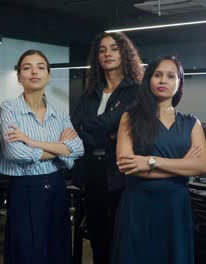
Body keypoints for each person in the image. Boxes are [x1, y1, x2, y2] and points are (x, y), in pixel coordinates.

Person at [112, 56, 206, 264]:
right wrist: (183, 165)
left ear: (179, 83)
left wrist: (150, 162)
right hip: (139, 205)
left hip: (175, 208)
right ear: (149, 80)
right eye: (157, 75)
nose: (163, 80)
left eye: (170, 76)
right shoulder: (130, 117)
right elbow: (127, 165)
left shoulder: (192, 123)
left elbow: (202, 166)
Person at [0, 49, 84, 264]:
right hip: (25, 188)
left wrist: (32, 142)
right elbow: (15, 152)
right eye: (27, 68)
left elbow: (78, 149)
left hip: (56, 185)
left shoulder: (59, 112)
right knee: (27, 250)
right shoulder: (10, 108)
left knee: (57, 247)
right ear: (19, 77)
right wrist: (59, 149)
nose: (34, 72)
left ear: (49, 75)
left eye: (41, 67)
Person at [71, 32, 143, 263]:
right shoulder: (91, 93)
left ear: (124, 53)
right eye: (102, 50)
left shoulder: (135, 91)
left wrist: (91, 129)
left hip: (120, 174)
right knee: (98, 240)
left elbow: (115, 123)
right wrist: (103, 133)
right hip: (91, 173)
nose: (108, 54)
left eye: (113, 48)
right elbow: (75, 126)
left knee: (121, 239)